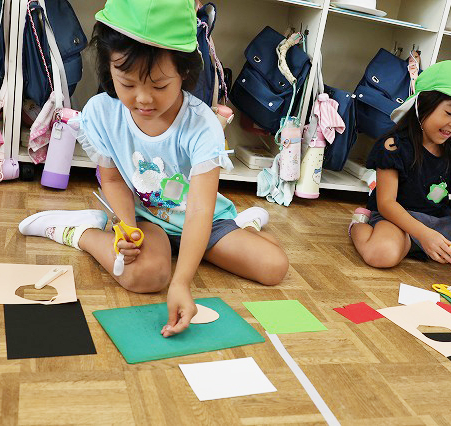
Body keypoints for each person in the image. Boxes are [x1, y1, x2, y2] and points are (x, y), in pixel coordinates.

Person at [18, 0, 288, 337]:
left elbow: (200, 210)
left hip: (204, 220)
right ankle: (82, 233)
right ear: (108, 66)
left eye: (159, 85)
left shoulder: (202, 125)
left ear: (184, 72)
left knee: (274, 266)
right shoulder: (102, 112)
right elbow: (112, 179)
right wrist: (128, 229)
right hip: (147, 218)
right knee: (143, 276)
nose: (143, 99)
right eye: (127, 84)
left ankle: (242, 227)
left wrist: (182, 282)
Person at [349, 61, 451, 280]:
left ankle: (423, 246)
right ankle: (358, 225)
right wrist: (423, 234)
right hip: (397, 221)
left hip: (440, 225)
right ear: (422, 104)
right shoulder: (394, 145)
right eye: (450, 112)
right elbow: (386, 203)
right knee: (382, 255)